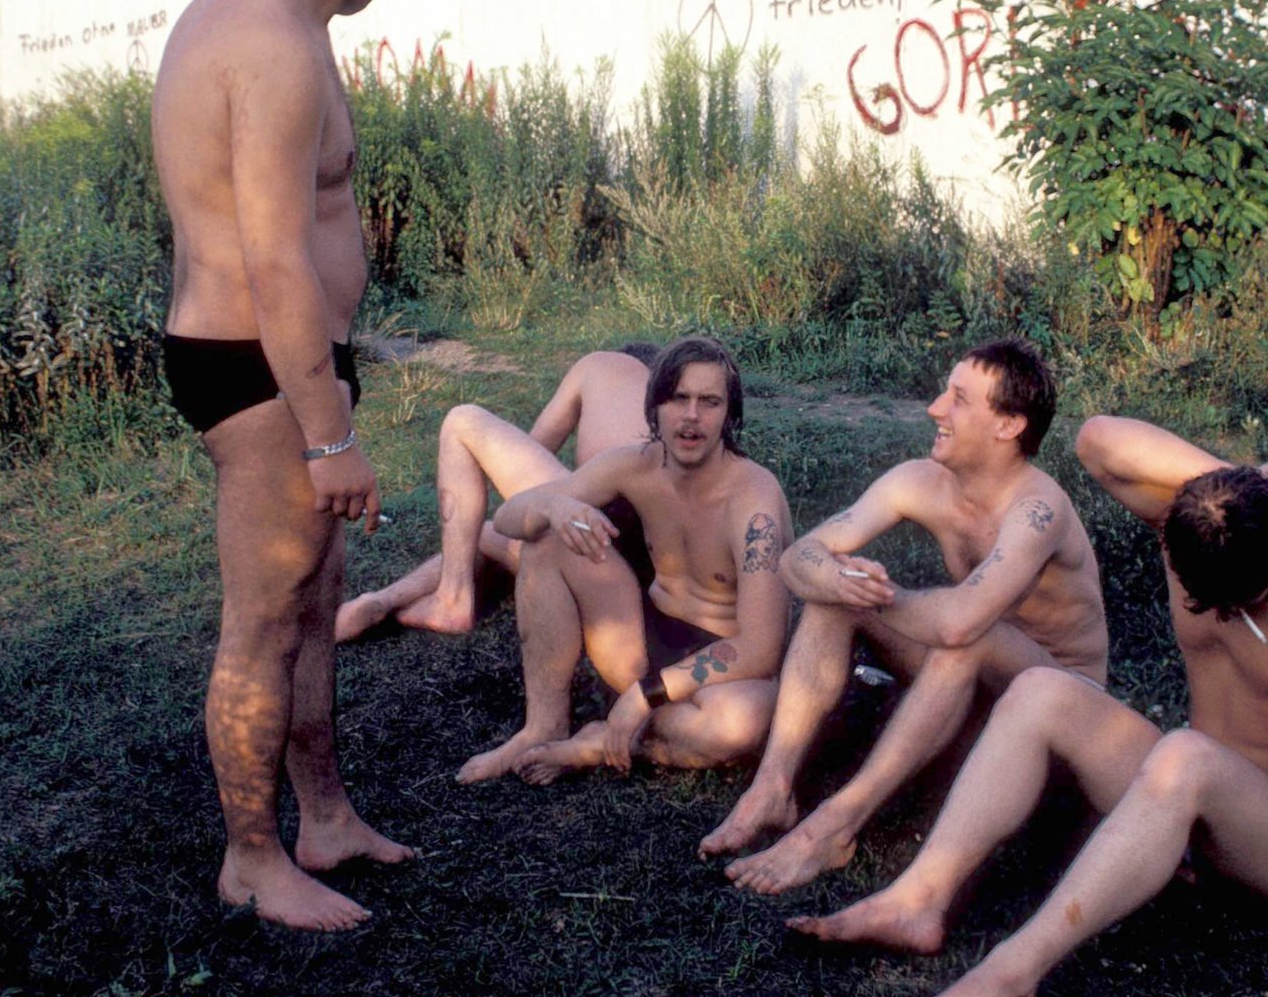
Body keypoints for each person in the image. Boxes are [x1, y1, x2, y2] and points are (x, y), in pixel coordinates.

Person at [794, 416, 1268, 997]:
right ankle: (921, 898)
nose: (1222, 615)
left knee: (1186, 756)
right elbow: (1099, 440)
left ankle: (1008, 978)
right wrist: (1244, 482)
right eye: (1205, 602)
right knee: (1042, 691)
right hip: (1188, 810)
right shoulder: (1194, 529)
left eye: (1243, 600)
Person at [152, 0, 442, 932]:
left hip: (290, 362)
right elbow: (275, 257)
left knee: (316, 605)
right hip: (259, 366)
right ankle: (251, 857)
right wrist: (329, 436)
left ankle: (323, 819)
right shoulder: (267, 41)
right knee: (265, 618)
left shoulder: (267, 12)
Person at [698, 339, 1105, 892]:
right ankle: (772, 788)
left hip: (1062, 697)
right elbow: (799, 559)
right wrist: (843, 581)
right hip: (970, 678)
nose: (936, 408)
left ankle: (833, 829)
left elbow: (960, 623)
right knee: (835, 595)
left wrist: (881, 597)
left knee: (968, 636)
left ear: (1009, 425)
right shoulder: (921, 482)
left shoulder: (1037, 510)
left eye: (959, 400)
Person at [456, 336, 791, 786]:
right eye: (678, 399)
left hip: (726, 670)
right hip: (641, 641)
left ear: (730, 414)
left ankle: (603, 740)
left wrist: (644, 696)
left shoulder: (755, 499)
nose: (691, 417)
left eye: (709, 402)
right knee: (548, 541)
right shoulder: (634, 466)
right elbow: (508, 518)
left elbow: (761, 647)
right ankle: (544, 725)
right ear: (654, 408)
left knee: (741, 724)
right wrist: (555, 508)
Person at [332, 345, 657, 640]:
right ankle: (382, 601)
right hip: (642, 575)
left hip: (610, 532)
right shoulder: (682, 417)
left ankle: (451, 599)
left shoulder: (605, 365)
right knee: (476, 533)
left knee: (463, 423)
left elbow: (535, 448)